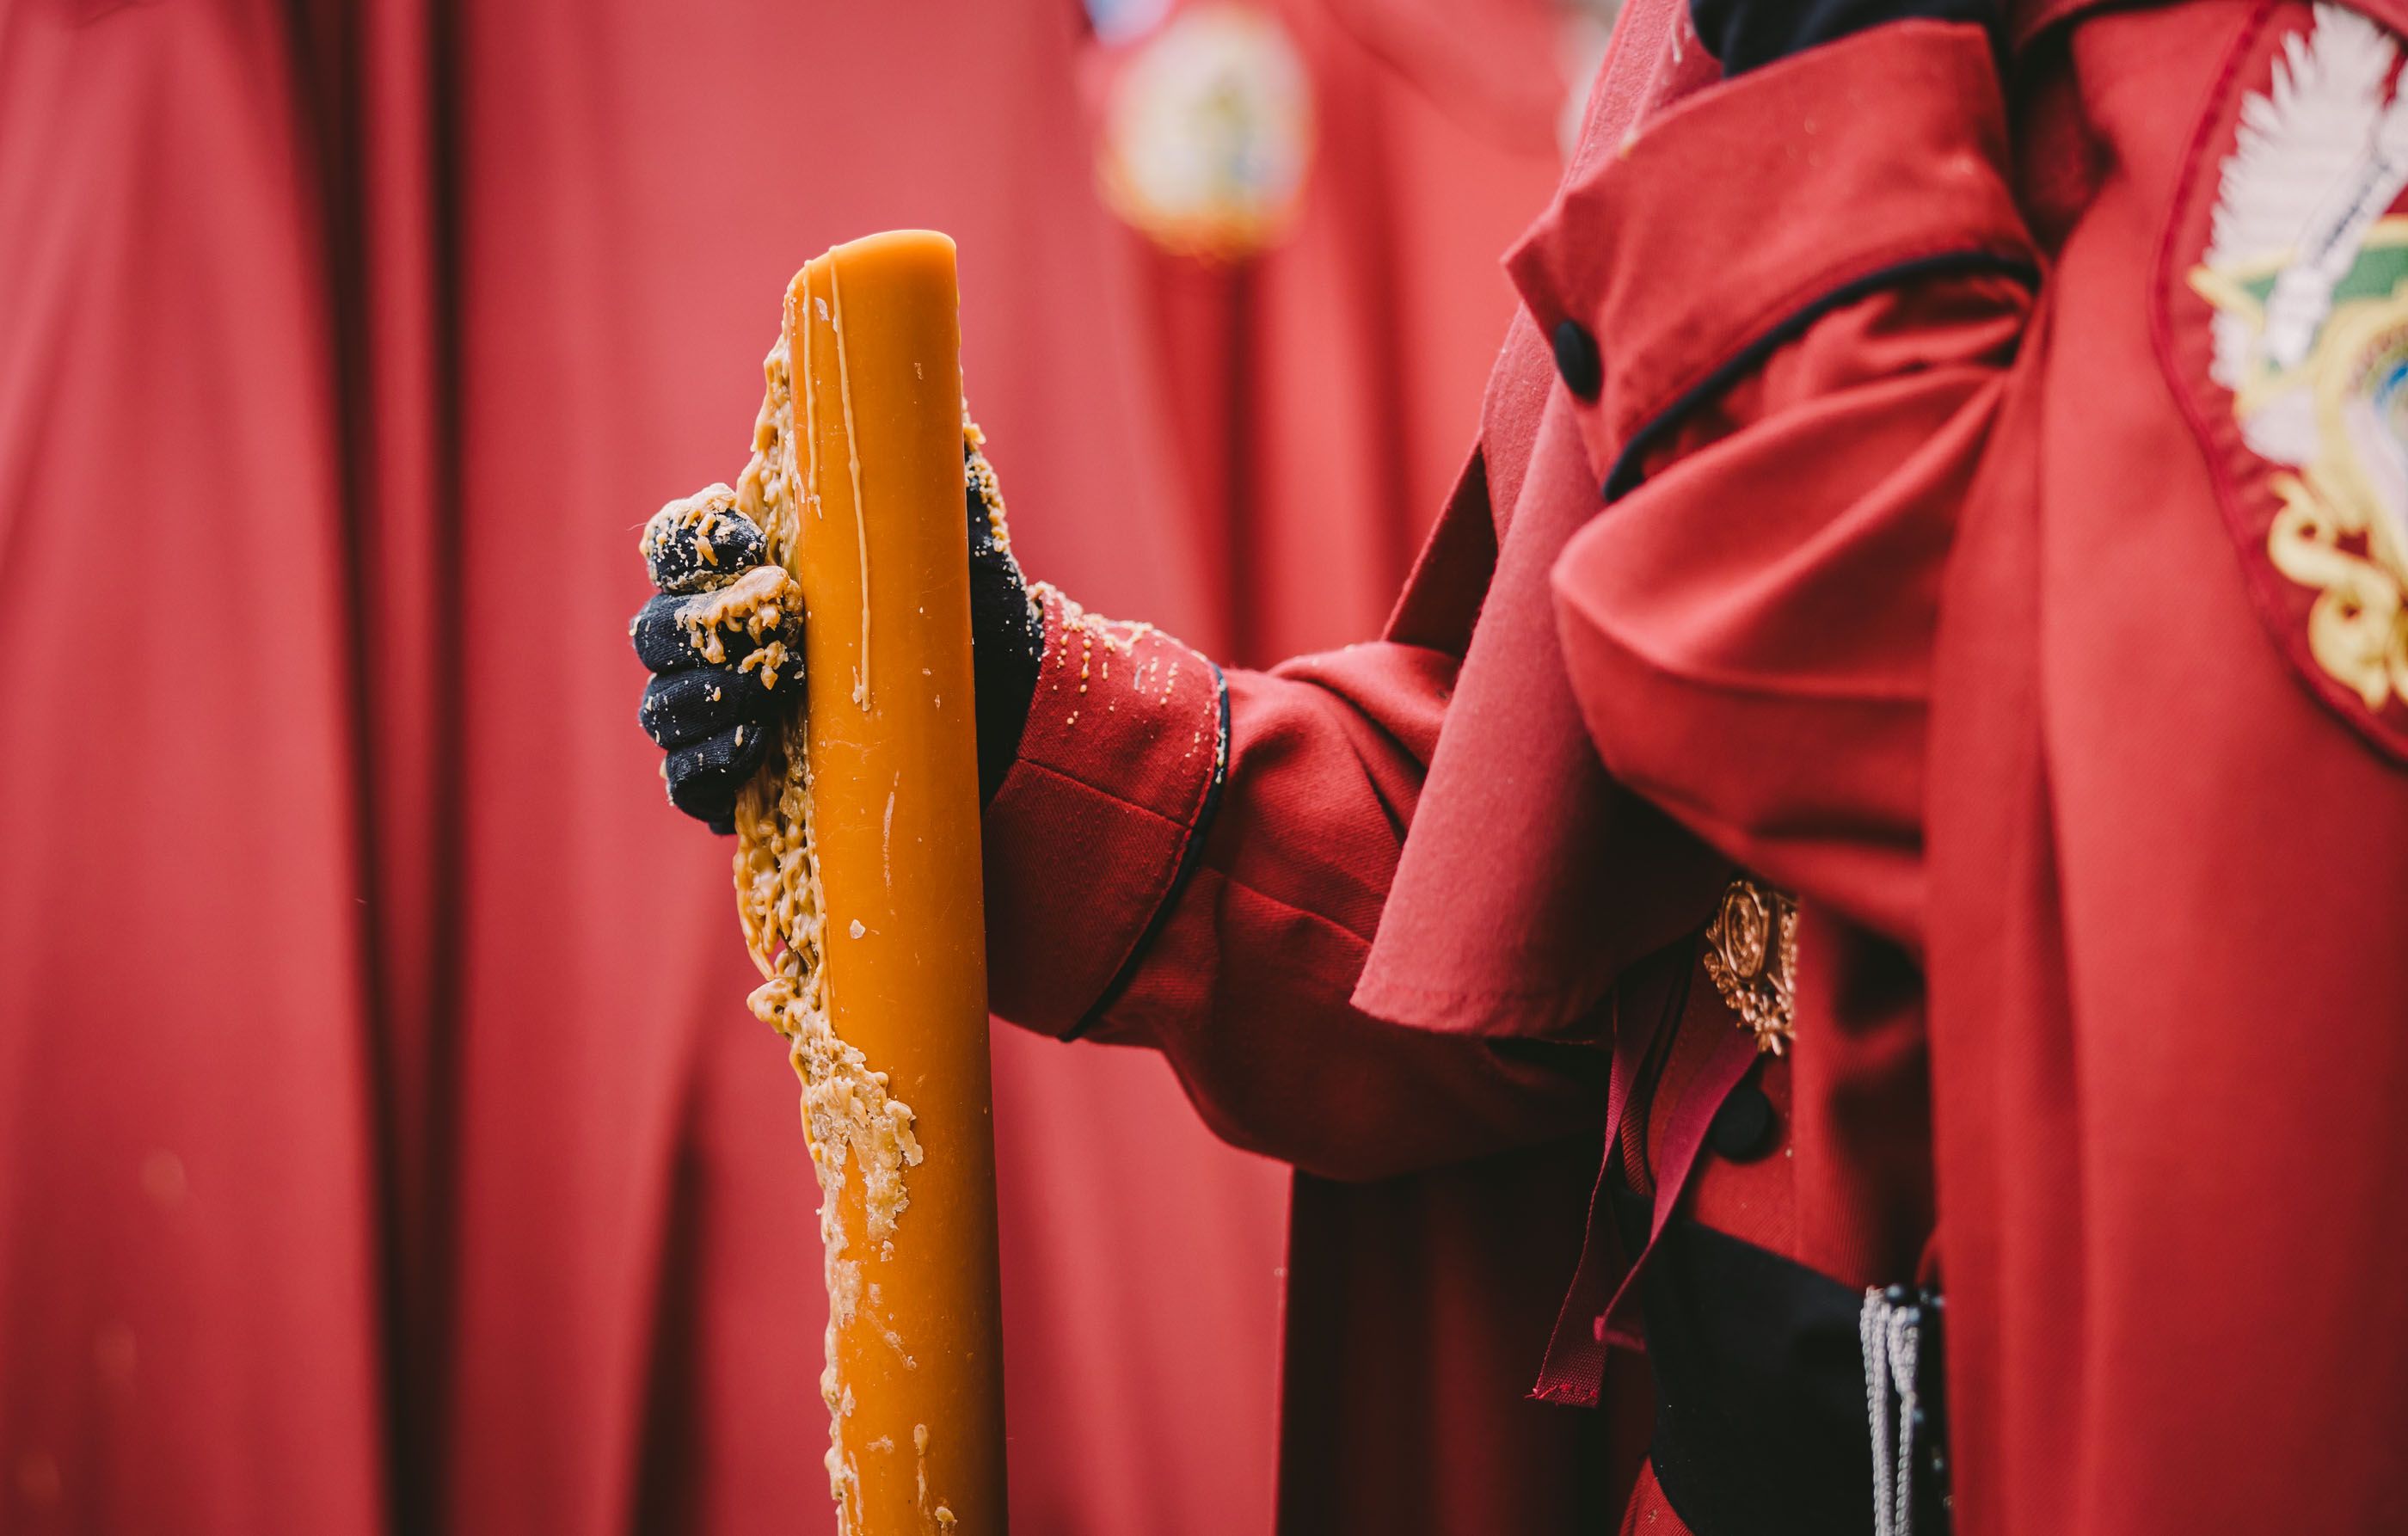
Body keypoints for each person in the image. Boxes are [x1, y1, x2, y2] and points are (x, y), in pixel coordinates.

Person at [643, 0, 2408, 1532]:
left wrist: (1825, 150)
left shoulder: (2300, 112)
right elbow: (1599, 909)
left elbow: (1985, 832)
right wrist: (1024, 729)